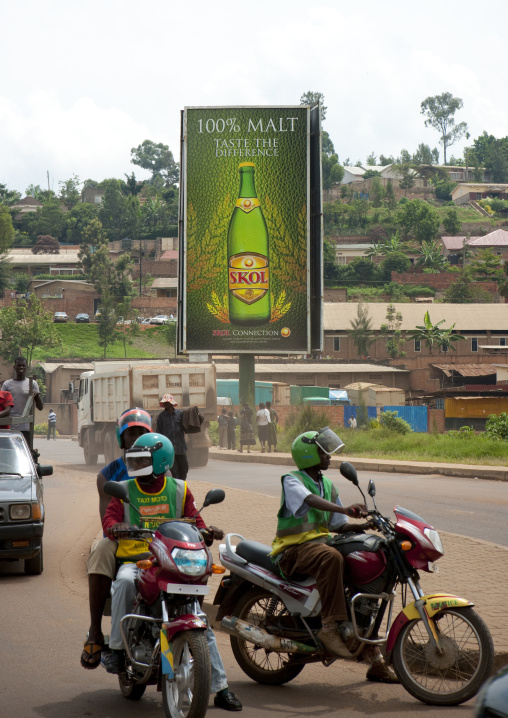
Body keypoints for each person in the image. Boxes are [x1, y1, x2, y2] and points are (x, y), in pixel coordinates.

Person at [103, 432, 242, 711]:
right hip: (138, 559)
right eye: (136, 459)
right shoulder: (125, 489)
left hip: (171, 560)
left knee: (199, 618)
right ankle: (117, 650)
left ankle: (220, 688)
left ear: (160, 461)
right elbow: (110, 520)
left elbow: (194, 519)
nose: (138, 466)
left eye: (144, 460)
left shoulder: (179, 489)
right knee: (123, 582)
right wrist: (115, 527)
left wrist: (207, 531)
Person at [270, 427, 398, 683]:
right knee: (332, 558)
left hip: (320, 545)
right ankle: (330, 626)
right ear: (308, 454)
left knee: (368, 560)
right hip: (292, 551)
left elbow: (337, 524)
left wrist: (363, 526)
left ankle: (372, 654)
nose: (329, 456)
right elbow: (309, 501)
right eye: (323, 451)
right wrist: (345, 508)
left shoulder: (327, 484)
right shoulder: (292, 479)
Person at [81, 408, 153, 670]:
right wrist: (118, 527)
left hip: (152, 540)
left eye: (141, 433)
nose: (135, 439)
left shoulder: (162, 469)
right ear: (121, 439)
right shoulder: (107, 475)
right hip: (120, 539)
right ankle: (95, 631)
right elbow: (106, 519)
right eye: (130, 433)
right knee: (100, 549)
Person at [2, 357, 44, 446]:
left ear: (26, 367)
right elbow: (2, 405)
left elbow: (40, 407)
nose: (21, 367)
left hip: (25, 427)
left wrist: (36, 395)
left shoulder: (32, 384)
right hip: (10, 426)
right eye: (19, 365)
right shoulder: (7, 384)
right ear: (14, 367)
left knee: (25, 452)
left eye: (23, 365)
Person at [155, 393, 188, 480]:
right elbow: (159, 433)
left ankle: (182, 485)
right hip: (169, 450)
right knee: (174, 472)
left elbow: (186, 427)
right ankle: (177, 487)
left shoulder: (179, 414)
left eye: (167, 403)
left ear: (171, 404)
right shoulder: (161, 417)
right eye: (165, 403)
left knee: (184, 468)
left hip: (180, 447)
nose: (166, 405)